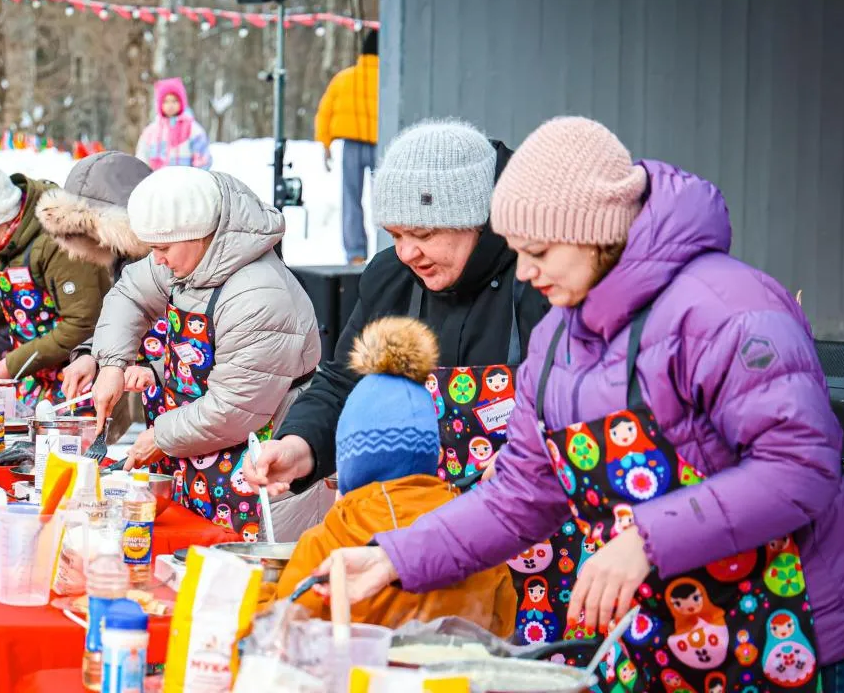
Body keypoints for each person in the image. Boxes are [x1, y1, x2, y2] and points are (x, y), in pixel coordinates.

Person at [312, 117, 844, 691]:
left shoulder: (727, 308)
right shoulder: (555, 343)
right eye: (516, 250)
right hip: (662, 648)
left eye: (538, 250)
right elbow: (515, 499)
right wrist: (392, 558)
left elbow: (801, 468)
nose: (524, 271)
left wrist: (646, 540)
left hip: (798, 637)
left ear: (594, 231)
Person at [245, 119, 548, 537]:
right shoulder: (391, 279)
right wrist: (300, 446)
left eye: (423, 233)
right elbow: (343, 385)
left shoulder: (538, 282)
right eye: (395, 234)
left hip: (524, 534)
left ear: (476, 220)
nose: (407, 252)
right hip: (411, 536)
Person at [89, 167, 320, 535]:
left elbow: (234, 407)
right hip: (195, 457)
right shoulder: (187, 259)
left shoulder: (258, 294)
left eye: (162, 249)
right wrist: (113, 364)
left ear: (202, 235)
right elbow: (130, 294)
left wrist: (161, 437)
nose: (158, 259)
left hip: (254, 475)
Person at [275, 316, 515, 634]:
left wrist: (262, 592)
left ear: (348, 463)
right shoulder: (473, 536)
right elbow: (503, 625)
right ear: (435, 455)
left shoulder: (327, 539)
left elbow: (287, 625)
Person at [0, 159, 108, 406]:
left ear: (6, 216)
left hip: (76, 380)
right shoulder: (7, 239)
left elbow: (82, 323)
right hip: (36, 376)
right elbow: (4, 294)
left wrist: (15, 363)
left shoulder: (58, 242)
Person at [40, 150, 154, 444]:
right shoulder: (124, 258)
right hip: (164, 414)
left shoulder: (158, 259)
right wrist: (93, 356)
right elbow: (127, 320)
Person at [315, 29, 379, 265]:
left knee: (351, 199)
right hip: (381, 145)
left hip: (351, 145)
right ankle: (387, 247)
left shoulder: (344, 78)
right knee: (383, 200)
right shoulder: (388, 78)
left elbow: (325, 111)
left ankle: (356, 253)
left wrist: (325, 142)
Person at [134, 78, 212, 171]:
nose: (170, 105)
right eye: (166, 101)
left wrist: (195, 178)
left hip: (185, 182)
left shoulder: (193, 130)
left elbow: (203, 160)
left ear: (182, 102)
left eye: (174, 101)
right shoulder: (151, 132)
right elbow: (142, 157)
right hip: (157, 182)